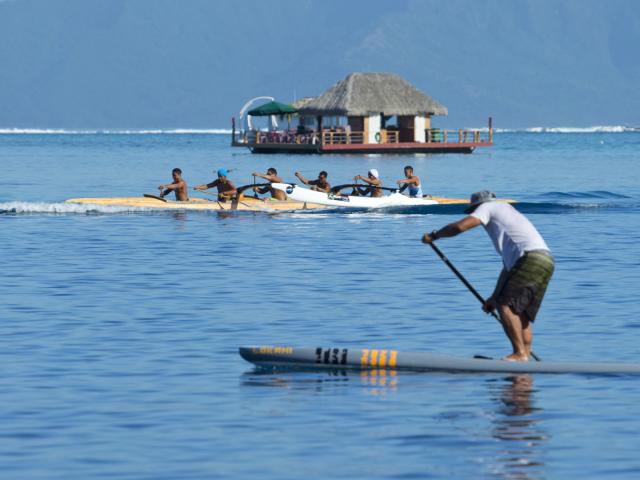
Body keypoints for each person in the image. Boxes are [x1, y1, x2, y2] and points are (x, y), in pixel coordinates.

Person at [421, 191, 554, 362]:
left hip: (529, 258)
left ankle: (519, 354)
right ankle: (525, 357)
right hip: (546, 259)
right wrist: (493, 297)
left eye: (473, 211)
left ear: (477, 206)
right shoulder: (507, 212)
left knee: (505, 306)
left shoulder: (487, 207)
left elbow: (460, 227)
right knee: (522, 313)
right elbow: (508, 269)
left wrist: (434, 235)